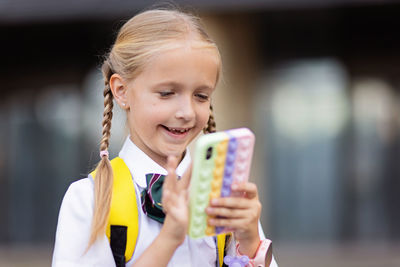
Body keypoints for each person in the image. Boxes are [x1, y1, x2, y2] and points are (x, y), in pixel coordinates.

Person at [52, 8, 278, 267]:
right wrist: (169, 238)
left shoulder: (223, 197)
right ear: (122, 91)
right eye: (167, 93)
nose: (186, 112)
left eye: (201, 96)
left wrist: (249, 242)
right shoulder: (90, 200)